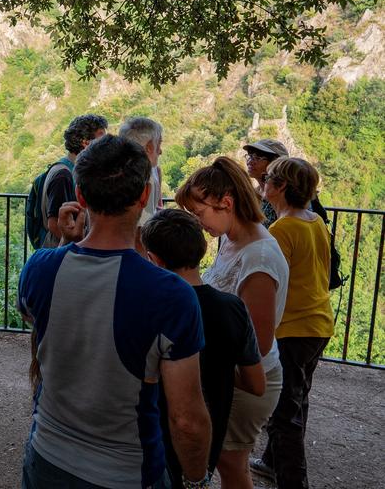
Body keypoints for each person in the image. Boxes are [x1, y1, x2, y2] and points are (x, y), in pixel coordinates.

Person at [18, 135, 211, 489]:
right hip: (126, 473)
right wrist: (197, 480)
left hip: (45, 457)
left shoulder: (39, 268)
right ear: (143, 197)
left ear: (80, 196)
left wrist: (65, 241)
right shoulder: (171, 295)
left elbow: (40, 319)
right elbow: (186, 419)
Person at [176, 156, 289, 489]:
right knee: (229, 460)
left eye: (198, 213)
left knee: (230, 461)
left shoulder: (259, 258)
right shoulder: (231, 239)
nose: (198, 223)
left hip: (249, 380)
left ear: (225, 203)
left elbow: (259, 342)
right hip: (233, 377)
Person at [141, 208, 266, 488]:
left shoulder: (150, 308)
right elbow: (257, 383)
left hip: (153, 442)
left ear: (154, 260)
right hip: (207, 444)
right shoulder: (233, 309)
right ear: (202, 250)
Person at [252, 158, 335, 489]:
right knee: (296, 398)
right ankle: (273, 460)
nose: (263, 182)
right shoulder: (314, 221)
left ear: (281, 187)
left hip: (293, 328)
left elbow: (272, 284)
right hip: (318, 324)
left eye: (269, 178)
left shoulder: (283, 229)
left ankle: (292, 482)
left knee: (285, 412)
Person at [40, 114, 108, 247]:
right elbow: (53, 223)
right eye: (101, 137)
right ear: (86, 142)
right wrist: (79, 246)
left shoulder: (65, 169)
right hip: (61, 251)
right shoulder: (63, 175)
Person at [119, 116, 164, 254]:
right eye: (159, 144)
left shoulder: (154, 171)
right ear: (149, 147)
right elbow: (140, 231)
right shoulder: (145, 177)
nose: (160, 151)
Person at [243, 139, 289, 227]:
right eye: (250, 156)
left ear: (275, 164)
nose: (250, 162)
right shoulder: (254, 193)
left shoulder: (284, 198)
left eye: (258, 158)